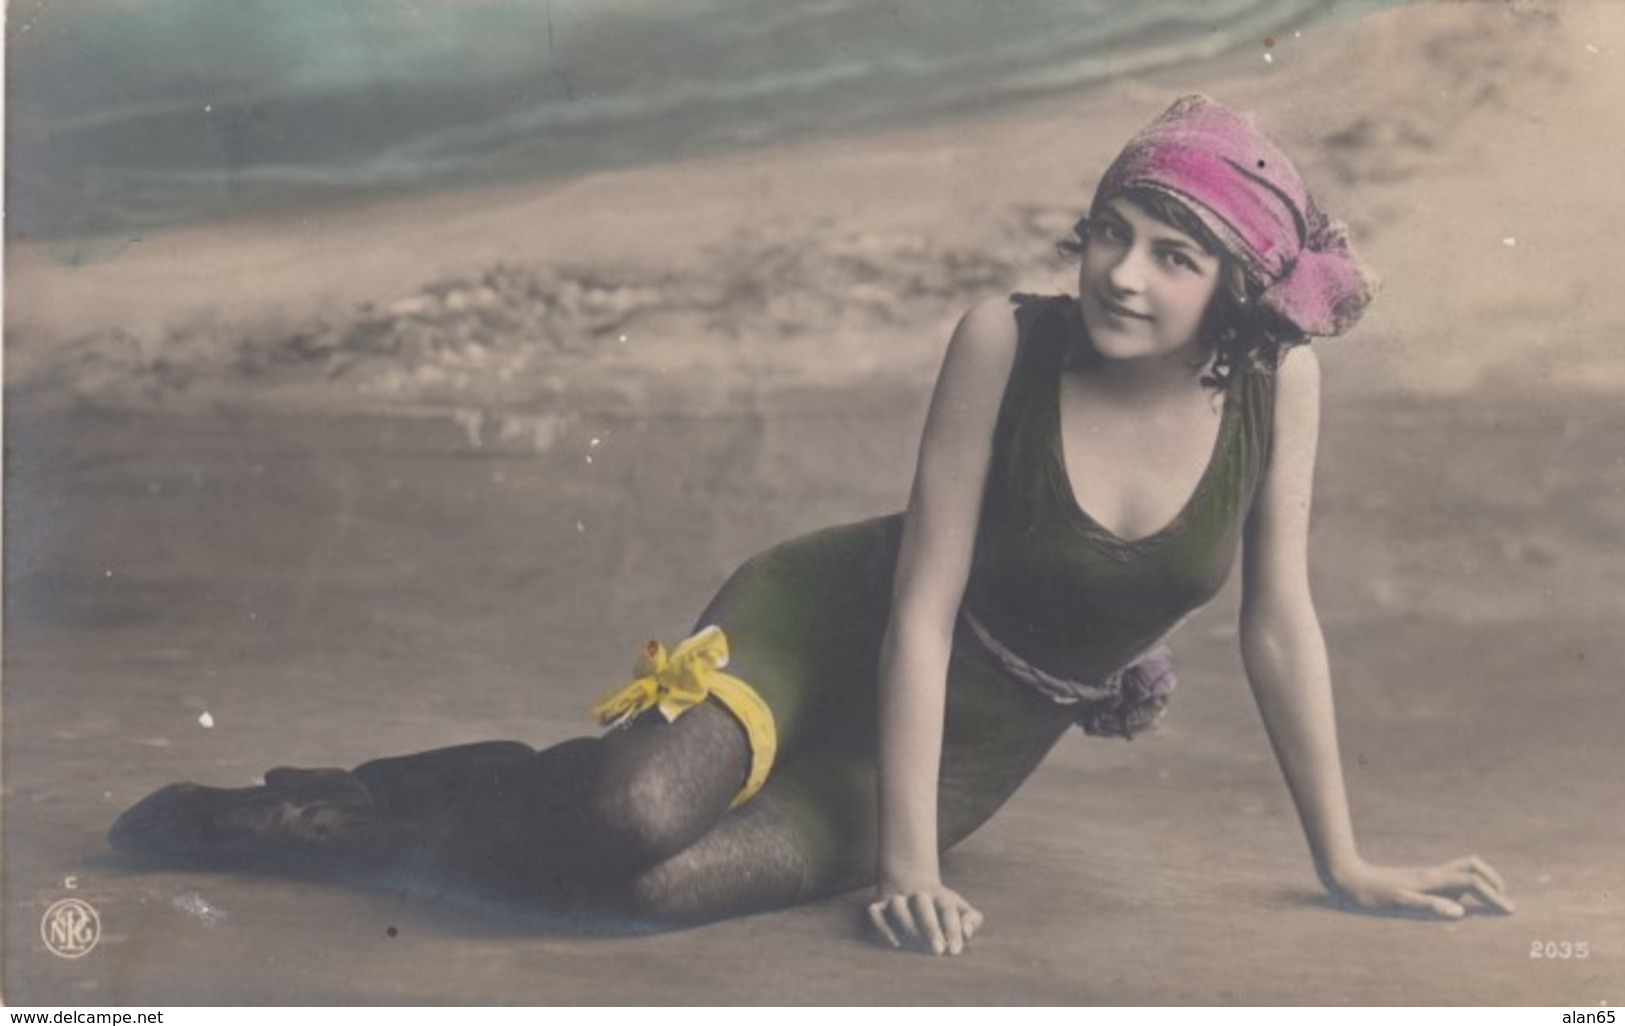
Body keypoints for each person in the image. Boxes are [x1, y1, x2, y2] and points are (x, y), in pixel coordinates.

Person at [109, 95, 1513, 955]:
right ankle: (337, 813)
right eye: (1106, 230)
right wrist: (905, 870)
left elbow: (1280, 625)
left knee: (646, 895)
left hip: (970, 747)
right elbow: (913, 603)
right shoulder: (1001, 341)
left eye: (1170, 252)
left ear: (1237, 290)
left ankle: (442, 796)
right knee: (624, 809)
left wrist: (1346, 862)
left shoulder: (1281, 389)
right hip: (824, 626)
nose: (1120, 274)